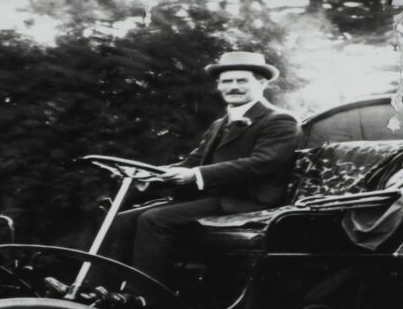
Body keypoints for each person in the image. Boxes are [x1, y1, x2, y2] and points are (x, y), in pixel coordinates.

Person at [105, 51, 301, 287]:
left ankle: (144, 297)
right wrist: (151, 175)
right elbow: (193, 161)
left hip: (248, 202)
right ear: (219, 85)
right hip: (213, 199)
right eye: (227, 81)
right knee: (122, 220)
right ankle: (99, 291)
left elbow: (262, 163)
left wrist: (196, 176)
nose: (233, 87)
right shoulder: (220, 124)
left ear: (261, 83)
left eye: (242, 80)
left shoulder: (279, 120)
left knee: (154, 219)